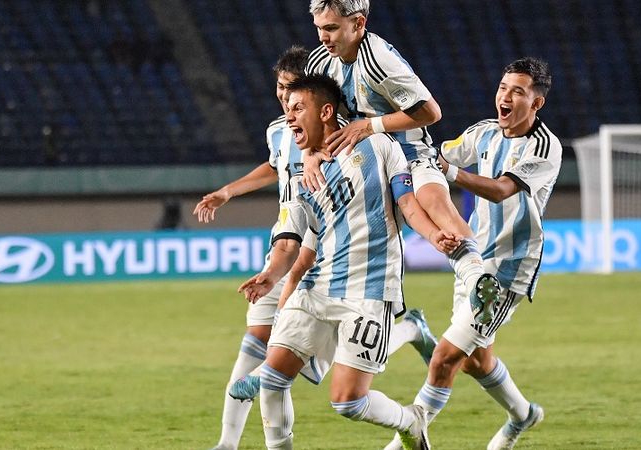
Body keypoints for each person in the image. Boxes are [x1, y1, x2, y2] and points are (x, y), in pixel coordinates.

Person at [193, 47, 436, 450]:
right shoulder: (286, 140)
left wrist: (440, 237)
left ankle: (410, 401)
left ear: (323, 105)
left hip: (362, 283)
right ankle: (229, 441)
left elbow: (407, 199)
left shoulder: (370, 142)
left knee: (345, 397)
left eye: (295, 97)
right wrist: (273, 272)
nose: (286, 106)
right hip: (306, 262)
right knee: (266, 362)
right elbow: (291, 220)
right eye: (282, 95)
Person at [387, 57, 562, 450]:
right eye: (503, 88)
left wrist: (449, 173)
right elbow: (443, 155)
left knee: (445, 358)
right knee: (475, 361)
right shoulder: (483, 133)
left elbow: (501, 189)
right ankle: (523, 414)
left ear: (537, 103)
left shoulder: (546, 148)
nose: (505, 97)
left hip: (508, 270)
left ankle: (406, 441)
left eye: (518, 91)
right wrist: (427, 164)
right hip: (474, 258)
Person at [301, 0, 501, 324]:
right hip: (362, 165)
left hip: (409, 154)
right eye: (320, 28)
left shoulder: (378, 59)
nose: (323, 37)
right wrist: (310, 155)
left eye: (332, 28)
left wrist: (369, 125)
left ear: (359, 24)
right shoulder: (320, 62)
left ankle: (478, 280)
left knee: (433, 203)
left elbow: (431, 112)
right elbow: (310, 117)